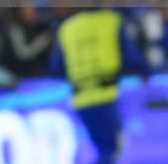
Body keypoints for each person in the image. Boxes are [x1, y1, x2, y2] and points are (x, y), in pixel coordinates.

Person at [49, 9, 149, 164]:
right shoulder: (112, 21)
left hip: (81, 98)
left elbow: (56, 66)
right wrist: (146, 71)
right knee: (114, 149)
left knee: (104, 149)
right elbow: (131, 57)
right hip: (108, 94)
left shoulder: (67, 27)